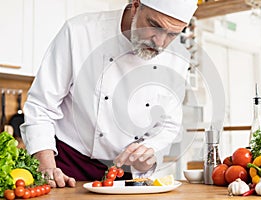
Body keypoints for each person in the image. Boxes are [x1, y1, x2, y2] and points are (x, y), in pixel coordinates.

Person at [21, 0, 198, 188]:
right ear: (136, 5)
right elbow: (41, 105)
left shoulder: (179, 60)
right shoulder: (80, 31)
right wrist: (46, 164)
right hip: (65, 166)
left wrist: (148, 152)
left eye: (172, 34)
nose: (160, 42)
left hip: (124, 174)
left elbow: (168, 125)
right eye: (155, 25)